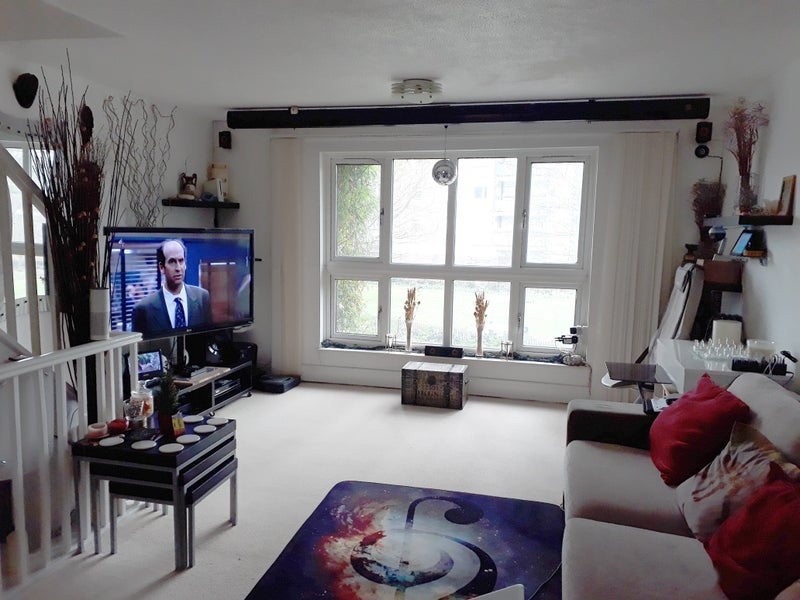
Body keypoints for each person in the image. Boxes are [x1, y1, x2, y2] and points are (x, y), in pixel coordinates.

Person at [132, 239, 212, 336]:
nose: (178, 268)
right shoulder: (143, 309)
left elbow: (209, 337)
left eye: (181, 261)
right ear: (162, 267)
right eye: (172, 262)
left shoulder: (202, 297)